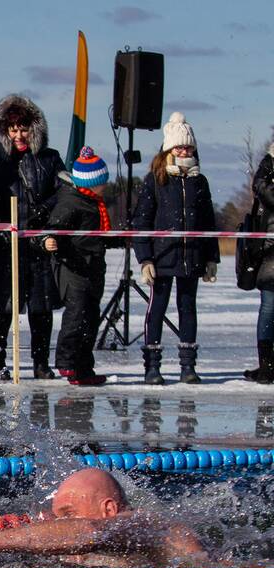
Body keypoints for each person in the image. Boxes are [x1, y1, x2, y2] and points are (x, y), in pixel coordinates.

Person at [0, 468, 209, 568]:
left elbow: (87, 531)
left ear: (109, 510)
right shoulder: (117, 545)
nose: (59, 524)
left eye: (67, 515)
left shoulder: (144, 523)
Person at [0, 95, 64, 381]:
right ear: (3, 131)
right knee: (1, 309)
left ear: (34, 128)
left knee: (41, 308)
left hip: (37, 246)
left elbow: (62, 196)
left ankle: (40, 363)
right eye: (12, 129)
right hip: (1, 247)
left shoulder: (49, 159)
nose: (18, 134)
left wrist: (44, 216)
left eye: (23, 128)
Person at [132, 112, 218, 385]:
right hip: (162, 257)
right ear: (169, 148)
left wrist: (211, 258)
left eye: (188, 146)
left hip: (191, 256)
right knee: (157, 306)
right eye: (180, 146)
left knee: (187, 307)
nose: (185, 150)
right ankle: (152, 367)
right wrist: (145, 258)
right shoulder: (155, 179)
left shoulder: (199, 181)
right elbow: (142, 221)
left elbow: (208, 222)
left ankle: (187, 367)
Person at [42, 147, 111, 386]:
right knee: (76, 315)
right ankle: (67, 363)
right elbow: (52, 228)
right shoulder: (70, 202)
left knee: (91, 318)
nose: (105, 187)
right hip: (72, 267)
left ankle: (84, 367)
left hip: (93, 266)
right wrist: (49, 240)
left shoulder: (94, 202)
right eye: (101, 183)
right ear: (90, 183)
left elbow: (98, 235)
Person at [241, 142, 274, 383]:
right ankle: (266, 365)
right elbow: (262, 188)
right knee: (269, 306)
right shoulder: (268, 164)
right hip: (270, 249)